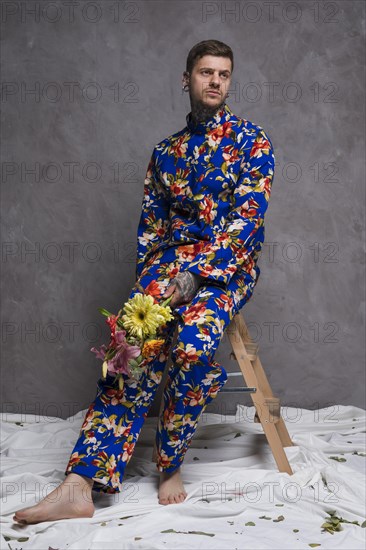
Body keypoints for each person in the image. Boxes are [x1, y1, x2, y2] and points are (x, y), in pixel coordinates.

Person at [13, 39, 275, 524]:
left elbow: (248, 222)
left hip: (224, 269)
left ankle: (170, 462)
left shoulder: (253, 142)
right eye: (205, 72)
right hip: (168, 268)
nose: (215, 81)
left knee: (193, 348)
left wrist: (196, 276)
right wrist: (151, 286)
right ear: (186, 79)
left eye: (223, 74)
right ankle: (79, 483)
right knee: (128, 349)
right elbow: (150, 231)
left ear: (229, 81)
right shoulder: (165, 153)